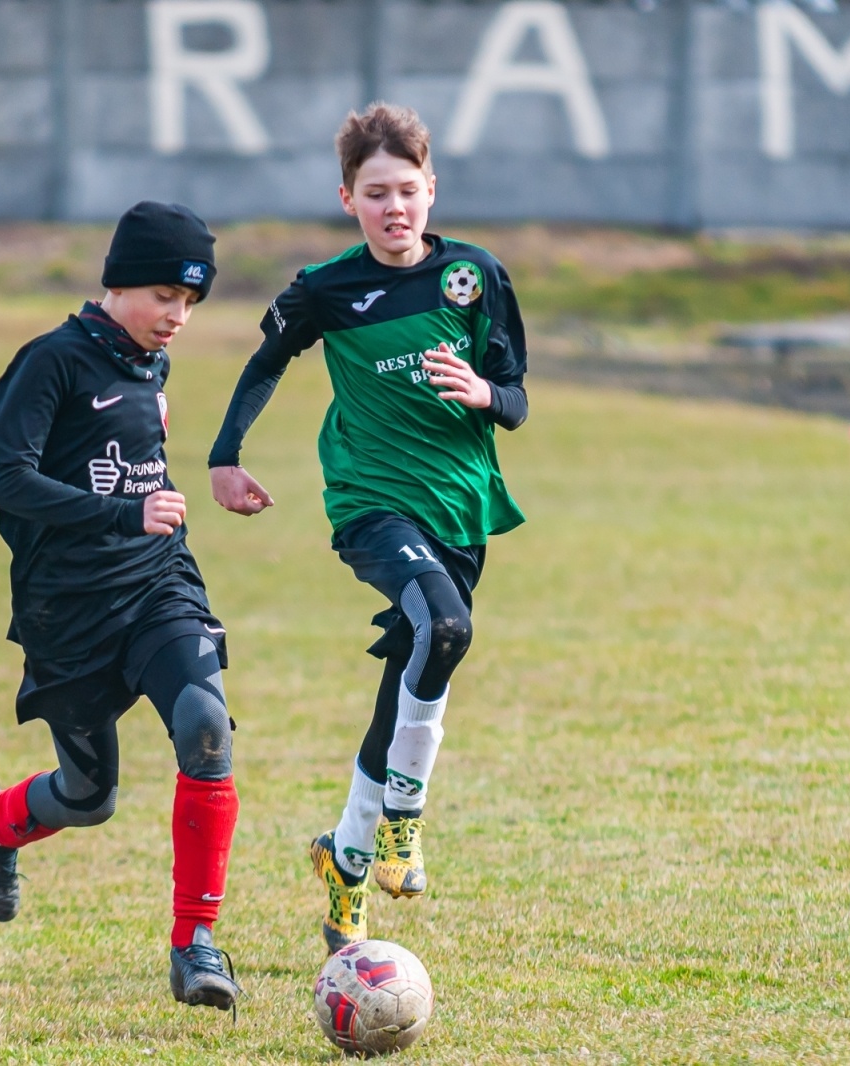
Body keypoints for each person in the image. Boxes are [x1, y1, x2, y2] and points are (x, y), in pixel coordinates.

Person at [207, 104, 529, 954]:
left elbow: (518, 398)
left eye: (409, 192)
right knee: (448, 626)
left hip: (461, 509)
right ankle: (402, 825)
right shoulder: (328, 289)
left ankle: (344, 867)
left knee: (415, 670)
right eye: (376, 193)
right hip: (372, 505)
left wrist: (483, 395)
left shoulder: (476, 276)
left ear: (432, 191)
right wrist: (225, 455)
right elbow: (264, 363)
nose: (395, 208)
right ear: (347, 196)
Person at [0, 202, 242, 1013]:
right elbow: (9, 482)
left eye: (190, 303)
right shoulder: (47, 364)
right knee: (89, 798)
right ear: (116, 282)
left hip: (157, 585)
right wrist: (120, 512)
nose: (177, 317)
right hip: (69, 611)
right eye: (164, 295)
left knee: (206, 730)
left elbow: (135, 469)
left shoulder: (151, 363)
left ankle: (196, 946)